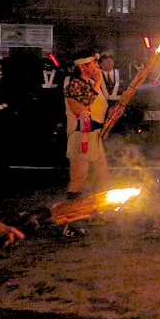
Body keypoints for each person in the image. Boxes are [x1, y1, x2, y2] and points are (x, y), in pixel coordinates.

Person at [62, 50, 110, 237]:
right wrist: (98, 82)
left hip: (94, 135)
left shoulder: (90, 83)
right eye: (94, 64)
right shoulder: (73, 85)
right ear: (83, 67)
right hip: (80, 136)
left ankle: (94, 212)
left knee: (102, 174)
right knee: (78, 181)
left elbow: (100, 107)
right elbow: (85, 102)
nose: (97, 67)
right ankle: (71, 223)